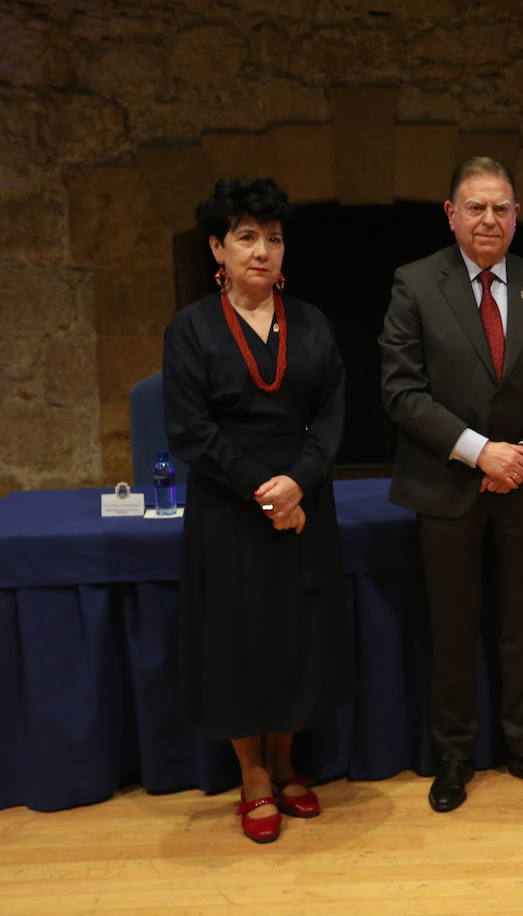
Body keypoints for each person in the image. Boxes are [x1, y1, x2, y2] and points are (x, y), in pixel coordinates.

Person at [380, 156, 523, 812]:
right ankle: (454, 756)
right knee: (452, 627)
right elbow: (400, 391)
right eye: (475, 207)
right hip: (447, 489)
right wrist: (479, 453)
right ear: (451, 214)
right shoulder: (414, 284)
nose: (489, 220)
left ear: (518, 215)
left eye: (501, 208)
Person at [163, 178, 354, 844]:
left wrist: (297, 484)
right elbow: (189, 430)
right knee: (238, 643)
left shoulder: (312, 322)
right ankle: (253, 776)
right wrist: (263, 489)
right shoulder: (189, 329)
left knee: (296, 637)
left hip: (304, 502)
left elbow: (332, 417)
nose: (261, 251)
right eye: (246, 237)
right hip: (230, 506)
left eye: (272, 238)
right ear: (218, 247)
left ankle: (287, 761)